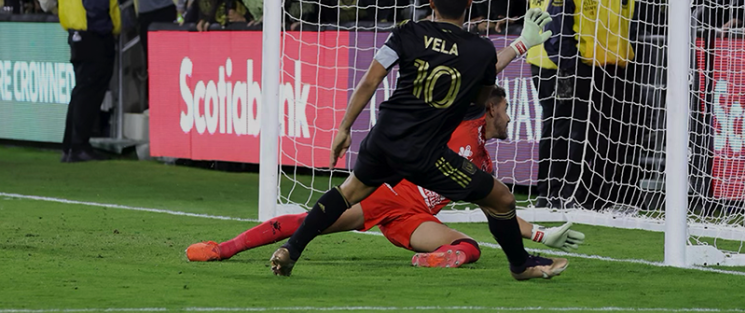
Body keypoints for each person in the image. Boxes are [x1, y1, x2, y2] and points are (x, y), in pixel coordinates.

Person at [269, 0, 567, 281]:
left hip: (383, 138)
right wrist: (516, 48)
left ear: (430, 2)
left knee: (348, 192)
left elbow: (371, 80)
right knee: (502, 197)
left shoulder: (407, 33)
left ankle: (293, 249)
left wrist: (344, 128)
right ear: (469, 1)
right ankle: (521, 265)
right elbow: (479, 102)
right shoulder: (480, 50)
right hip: (426, 153)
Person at [187, 86, 584, 265]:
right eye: (507, 107)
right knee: (312, 222)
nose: (511, 116)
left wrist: (540, 234)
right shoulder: (464, 118)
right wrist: (517, 47)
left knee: (470, 249)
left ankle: (432, 263)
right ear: (492, 107)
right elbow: (476, 76)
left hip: (415, 219)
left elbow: (499, 211)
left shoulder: (485, 166)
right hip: (389, 193)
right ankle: (224, 248)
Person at [545, 0, 638, 210]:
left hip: (618, 70)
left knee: (616, 134)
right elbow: (554, 25)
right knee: (580, 135)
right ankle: (575, 195)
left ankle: (611, 196)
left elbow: (633, 22)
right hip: (584, 69)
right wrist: (568, 64)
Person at [57, 0, 121, 162]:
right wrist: (105, 28)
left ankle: (70, 146)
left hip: (76, 34)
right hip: (94, 34)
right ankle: (79, 146)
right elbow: (97, 2)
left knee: (81, 90)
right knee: (89, 91)